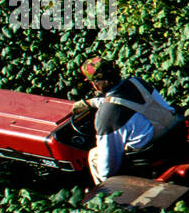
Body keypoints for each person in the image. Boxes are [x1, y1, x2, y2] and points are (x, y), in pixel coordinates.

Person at [71, 56, 182, 184]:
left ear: (96, 83)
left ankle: (110, 197)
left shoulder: (106, 115)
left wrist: (105, 178)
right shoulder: (137, 82)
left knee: (94, 157)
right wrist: (91, 103)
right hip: (174, 134)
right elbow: (124, 101)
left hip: (153, 153)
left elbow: (107, 169)